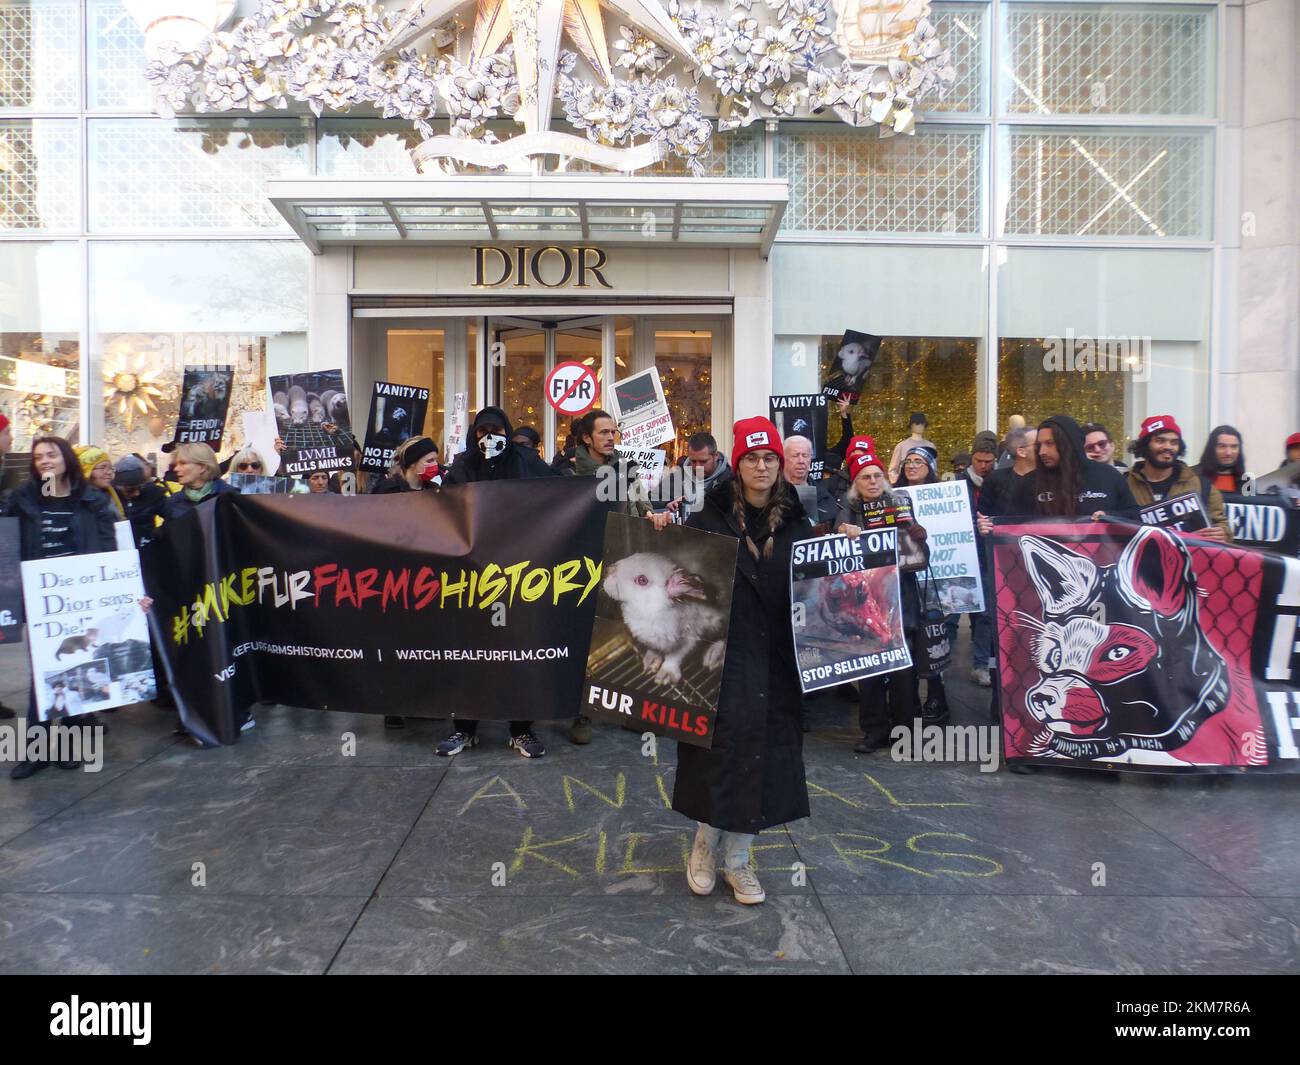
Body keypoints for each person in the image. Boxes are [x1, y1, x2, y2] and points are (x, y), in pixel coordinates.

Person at [649, 417, 811, 905]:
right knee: (714, 756)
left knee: (764, 758)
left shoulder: (799, 521)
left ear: (780, 466)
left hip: (778, 662)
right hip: (718, 661)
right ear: (736, 464)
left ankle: (740, 861)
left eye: (769, 459)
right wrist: (657, 534)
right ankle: (703, 848)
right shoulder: (708, 518)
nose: (761, 467)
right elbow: (678, 584)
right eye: (751, 458)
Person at [438, 407, 552, 758]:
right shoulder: (463, 464)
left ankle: (521, 729)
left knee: (517, 650)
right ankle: (464, 729)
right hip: (472, 574)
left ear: (507, 429)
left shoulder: (526, 460)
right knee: (469, 652)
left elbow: (556, 492)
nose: (490, 436)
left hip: (518, 572)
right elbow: (446, 506)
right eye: (483, 429)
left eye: (496, 429)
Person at [4, 436, 119, 778]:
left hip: (81, 595)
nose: (44, 461)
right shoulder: (21, 498)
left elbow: (110, 548)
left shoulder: (92, 500)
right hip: (41, 597)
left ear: (66, 458)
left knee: (76, 670)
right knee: (42, 672)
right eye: (38, 456)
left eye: (51, 454)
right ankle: (36, 751)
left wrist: (117, 591)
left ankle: (71, 745)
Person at [831, 438, 930, 753]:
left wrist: (918, 538)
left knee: (903, 670)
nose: (873, 482)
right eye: (865, 477)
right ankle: (874, 731)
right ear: (855, 484)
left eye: (877, 476)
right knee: (870, 668)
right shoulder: (847, 512)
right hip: (865, 602)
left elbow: (921, 558)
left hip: (900, 597)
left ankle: (903, 732)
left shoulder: (901, 504)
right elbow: (834, 556)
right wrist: (844, 534)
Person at [567, 408, 649, 745]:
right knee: (583, 642)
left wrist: (653, 515)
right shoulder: (569, 475)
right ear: (586, 438)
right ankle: (580, 711)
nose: (611, 438)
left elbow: (641, 508)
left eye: (614, 432)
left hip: (621, 568)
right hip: (582, 572)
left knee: (624, 635)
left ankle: (626, 707)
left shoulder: (627, 472)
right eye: (604, 433)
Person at [1006, 415, 1139, 519]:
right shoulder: (1029, 483)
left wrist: (1110, 517)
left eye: (1050, 444)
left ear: (1069, 444)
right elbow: (1009, 525)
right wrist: (988, 527)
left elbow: (1134, 516)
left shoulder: (1109, 476)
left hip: (1100, 553)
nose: (1042, 452)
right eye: (1039, 445)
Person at [1125, 415, 1231, 542]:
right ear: (1145, 444)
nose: (1168, 447)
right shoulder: (1124, 484)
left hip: (1190, 559)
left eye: (1174, 442)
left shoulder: (1202, 485)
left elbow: (1222, 524)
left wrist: (1222, 532)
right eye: (1160, 441)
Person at [957, 431, 997, 687]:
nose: (982, 466)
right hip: (963, 554)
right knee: (953, 614)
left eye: (988, 461)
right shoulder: (960, 482)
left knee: (985, 616)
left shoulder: (1001, 481)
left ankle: (982, 664)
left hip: (989, 555)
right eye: (978, 460)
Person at [160, 442, 239, 523]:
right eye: (176, 464)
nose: (176, 469)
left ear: (202, 467)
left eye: (183, 463)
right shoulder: (173, 502)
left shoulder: (231, 497)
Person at [113, 455, 168, 548]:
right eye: (130, 490)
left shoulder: (153, 494)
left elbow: (173, 515)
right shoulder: (109, 497)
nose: (137, 493)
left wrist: (158, 533)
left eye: (140, 487)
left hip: (148, 548)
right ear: (117, 487)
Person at [371, 436, 440, 495]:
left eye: (436, 460)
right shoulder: (387, 490)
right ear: (412, 463)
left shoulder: (434, 490)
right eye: (429, 461)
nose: (435, 464)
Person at [1192, 425, 1249, 495]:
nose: (1228, 453)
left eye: (1234, 447)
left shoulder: (1246, 482)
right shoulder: (1192, 476)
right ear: (1211, 449)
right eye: (1222, 446)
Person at [74, 445, 124, 519]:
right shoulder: (77, 501)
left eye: (110, 468)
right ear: (87, 471)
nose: (109, 472)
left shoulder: (113, 496)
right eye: (103, 467)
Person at [887, 413, 936, 482]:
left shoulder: (931, 446)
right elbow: (892, 470)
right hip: (907, 486)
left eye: (922, 424)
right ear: (911, 426)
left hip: (926, 486)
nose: (920, 426)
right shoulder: (901, 446)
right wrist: (899, 485)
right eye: (917, 424)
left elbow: (933, 469)